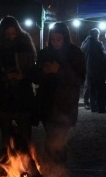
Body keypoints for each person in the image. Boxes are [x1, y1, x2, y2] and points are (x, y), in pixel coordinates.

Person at [34, 22, 87, 165]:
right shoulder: (44, 54)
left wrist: (59, 70)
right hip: (46, 103)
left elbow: (79, 79)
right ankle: (52, 170)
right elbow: (36, 78)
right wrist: (43, 71)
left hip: (65, 104)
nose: (55, 42)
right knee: (51, 137)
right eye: (53, 39)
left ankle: (57, 169)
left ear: (65, 38)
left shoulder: (75, 54)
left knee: (59, 139)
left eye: (59, 39)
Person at [0, 16, 38, 154]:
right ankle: (8, 160)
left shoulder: (25, 46)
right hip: (3, 96)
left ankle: (27, 161)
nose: (10, 37)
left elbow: (32, 70)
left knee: (26, 134)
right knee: (6, 136)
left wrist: (23, 76)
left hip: (22, 95)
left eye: (13, 34)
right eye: (7, 34)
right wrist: (4, 77)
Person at [84, 28, 106, 113]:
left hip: (89, 70)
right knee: (101, 90)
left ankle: (93, 107)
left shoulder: (85, 44)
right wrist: (105, 68)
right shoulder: (97, 44)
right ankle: (101, 108)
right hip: (98, 70)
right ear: (97, 34)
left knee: (92, 90)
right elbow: (103, 57)